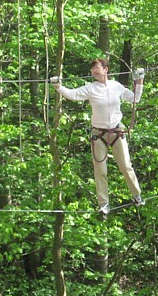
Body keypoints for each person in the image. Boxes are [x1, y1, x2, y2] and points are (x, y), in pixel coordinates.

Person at [50, 59, 145, 215]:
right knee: (100, 169)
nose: (94, 70)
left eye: (97, 67)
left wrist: (140, 80)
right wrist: (58, 86)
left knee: (126, 166)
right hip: (98, 134)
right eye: (92, 68)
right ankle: (103, 204)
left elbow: (135, 98)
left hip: (116, 132)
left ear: (106, 69)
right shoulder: (90, 88)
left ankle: (137, 195)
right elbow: (72, 95)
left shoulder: (116, 86)